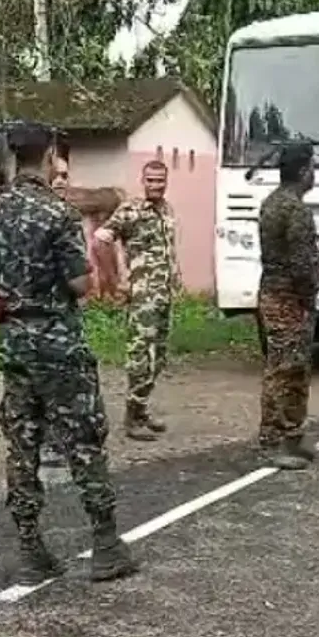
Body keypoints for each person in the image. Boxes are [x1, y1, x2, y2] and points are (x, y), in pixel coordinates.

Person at [0, 125, 138, 584]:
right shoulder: (59, 214)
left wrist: (11, 327)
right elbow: (81, 283)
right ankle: (105, 545)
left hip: (15, 342)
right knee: (83, 439)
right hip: (59, 342)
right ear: (48, 156)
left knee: (23, 445)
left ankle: (30, 550)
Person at [94, 160, 180, 441]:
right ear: (142, 181)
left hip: (164, 293)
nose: (156, 185)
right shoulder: (130, 210)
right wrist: (115, 280)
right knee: (140, 355)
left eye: (160, 180)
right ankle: (132, 417)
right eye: (151, 180)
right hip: (142, 295)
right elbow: (100, 240)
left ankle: (142, 409)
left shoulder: (166, 209)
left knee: (160, 356)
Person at [255, 141, 319, 470]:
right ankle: (271, 442)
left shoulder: (272, 202)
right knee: (283, 370)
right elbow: (300, 264)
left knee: (296, 368)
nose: (315, 172)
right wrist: (311, 293)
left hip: (277, 295)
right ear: (304, 170)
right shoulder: (295, 210)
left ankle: (293, 435)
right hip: (288, 299)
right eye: (313, 166)